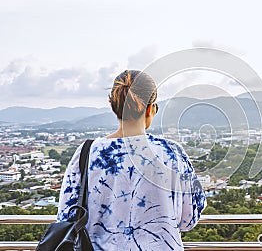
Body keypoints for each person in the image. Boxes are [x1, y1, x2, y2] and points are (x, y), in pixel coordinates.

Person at [57, 70, 207, 250]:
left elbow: (66, 216)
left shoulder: (87, 153)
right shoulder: (171, 153)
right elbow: (188, 220)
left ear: (114, 107)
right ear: (151, 109)